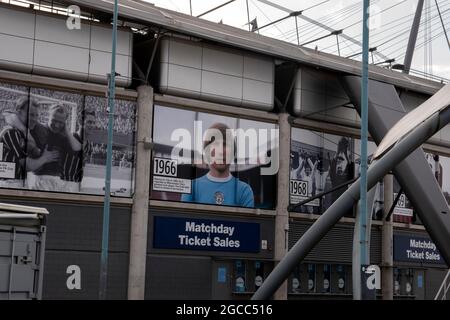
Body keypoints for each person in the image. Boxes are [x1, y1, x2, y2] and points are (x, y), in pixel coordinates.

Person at [181, 123, 254, 207]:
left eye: (225, 145)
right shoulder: (191, 188)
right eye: (215, 144)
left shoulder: (244, 190)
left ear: (233, 152)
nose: (220, 151)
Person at [28, 103, 82, 191]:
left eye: (61, 122)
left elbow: (78, 149)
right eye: (54, 120)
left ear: (65, 122)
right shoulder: (38, 129)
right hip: (38, 178)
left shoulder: (64, 137)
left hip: (57, 181)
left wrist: (66, 130)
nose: (57, 125)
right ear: (48, 116)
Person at [328, 137, 354, 205]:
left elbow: (350, 172)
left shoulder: (345, 179)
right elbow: (332, 169)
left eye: (341, 168)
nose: (339, 168)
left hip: (344, 202)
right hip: (335, 203)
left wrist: (346, 154)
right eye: (338, 168)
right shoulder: (334, 179)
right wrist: (338, 152)